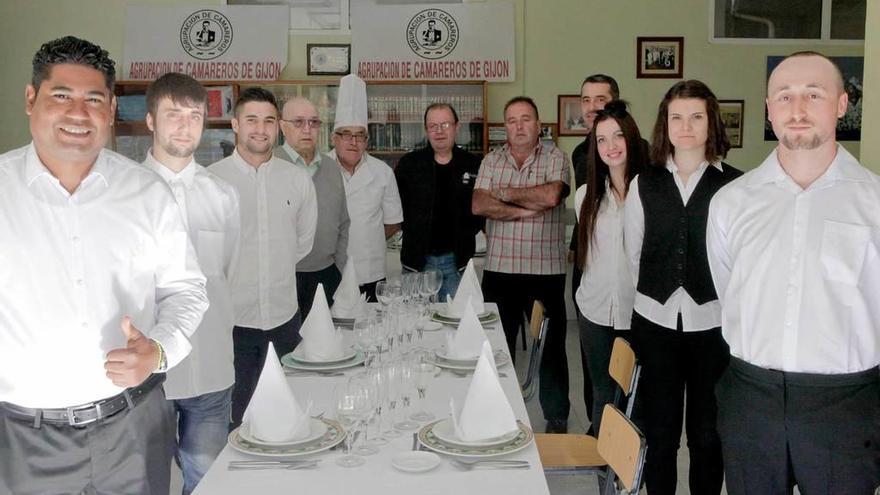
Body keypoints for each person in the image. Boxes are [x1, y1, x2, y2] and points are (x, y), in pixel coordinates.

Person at [0, 36, 208, 495]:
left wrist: (157, 351)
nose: (78, 114)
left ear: (111, 110)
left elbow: (187, 289)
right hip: (21, 436)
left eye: (93, 100)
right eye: (61, 97)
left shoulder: (146, 193)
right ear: (31, 99)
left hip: (132, 426)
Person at [708, 51, 880, 495]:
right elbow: (730, 290)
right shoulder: (732, 201)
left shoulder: (874, 202)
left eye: (814, 94)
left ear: (842, 104)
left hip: (845, 406)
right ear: (769, 108)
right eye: (785, 96)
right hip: (750, 397)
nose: (798, 109)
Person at [624, 80, 742, 495]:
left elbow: (739, 262)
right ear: (665, 124)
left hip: (713, 325)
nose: (686, 126)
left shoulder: (736, 185)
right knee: (661, 434)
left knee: (707, 436)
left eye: (696, 116)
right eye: (677, 117)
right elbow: (633, 252)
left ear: (711, 122)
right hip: (655, 321)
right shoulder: (644, 183)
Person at [142, 72, 240, 495]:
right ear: (150, 121)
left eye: (195, 116)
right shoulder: (126, 191)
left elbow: (226, 272)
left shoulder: (222, 195)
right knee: (146, 483)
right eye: (173, 115)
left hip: (211, 367)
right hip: (148, 377)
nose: (185, 126)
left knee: (208, 483)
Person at [209, 88, 317, 428]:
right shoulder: (211, 180)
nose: (261, 129)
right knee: (238, 421)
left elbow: (302, 244)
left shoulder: (297, 180)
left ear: (278, 127)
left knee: (288, 418)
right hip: (231, 325)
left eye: (269, 120)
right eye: (251, 120)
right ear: (235, 125)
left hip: (285, 321)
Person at [472, 96, 571, 433]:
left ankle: (556, 417)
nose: (518, 126)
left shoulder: (557, 157)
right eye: (511, 120)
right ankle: (498, 410)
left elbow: (551, 197)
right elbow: (479, 204)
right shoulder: (491, 159)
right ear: (505, 126)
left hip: (546, 272)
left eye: (525, 119)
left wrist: (504, 193)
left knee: (552, 350)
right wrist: (526, 207)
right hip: (499, 271)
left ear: (538, 123)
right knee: (498, 347)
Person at [573, 100, 645, 435]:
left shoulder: (650, 193)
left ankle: (632, 471)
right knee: (603, 393)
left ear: (631, 138)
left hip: (639, 313)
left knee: (636, 395)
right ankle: (606, 473)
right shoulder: (585, 196)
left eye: (618, 137)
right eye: (602, 140)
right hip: (595, 310)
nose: (610, 146)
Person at [394, 102, 484, 300]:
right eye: (433, 126)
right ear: (426, 130)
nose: (439, 131)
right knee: (415, 321)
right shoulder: (409, 164)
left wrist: (467, 231)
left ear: (457, 127)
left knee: (457, 323)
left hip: (457, 263)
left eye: (445, 125)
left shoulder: (473, 164)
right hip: (416, 263)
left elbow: (481, 210)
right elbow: (395, 208)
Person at [329, 74, 403, 302]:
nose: (354, 142)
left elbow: (393, 222)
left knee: (370, 329)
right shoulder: (320, 170)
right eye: (346, 135)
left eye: (360, 136)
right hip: (331, 270)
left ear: (367, 140)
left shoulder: (382, 172)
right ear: (334, 138)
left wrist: (368, 238)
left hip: (372, 271)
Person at [275, 96, 349, 318]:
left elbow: (344, 222)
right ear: (282, 126)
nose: (307, 129)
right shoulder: (271, 166)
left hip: (327, 276)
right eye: (298, 122)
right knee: (288, 349)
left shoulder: (331, 168)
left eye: (314, 122)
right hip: (284, 279)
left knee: (327, 348)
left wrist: (340, 269)